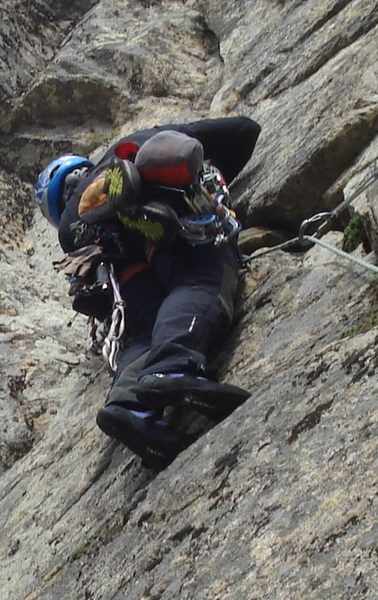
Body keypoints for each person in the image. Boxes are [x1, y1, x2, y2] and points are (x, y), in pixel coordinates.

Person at [35, 115, 262, 464]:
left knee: (146, 325)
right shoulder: (132, 146)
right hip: (158, 219)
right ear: (83, 167)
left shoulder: (69, 231)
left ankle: (128, 405)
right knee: (201, 280)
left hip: (115, 260)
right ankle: (172, 367)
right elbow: (244, 131)